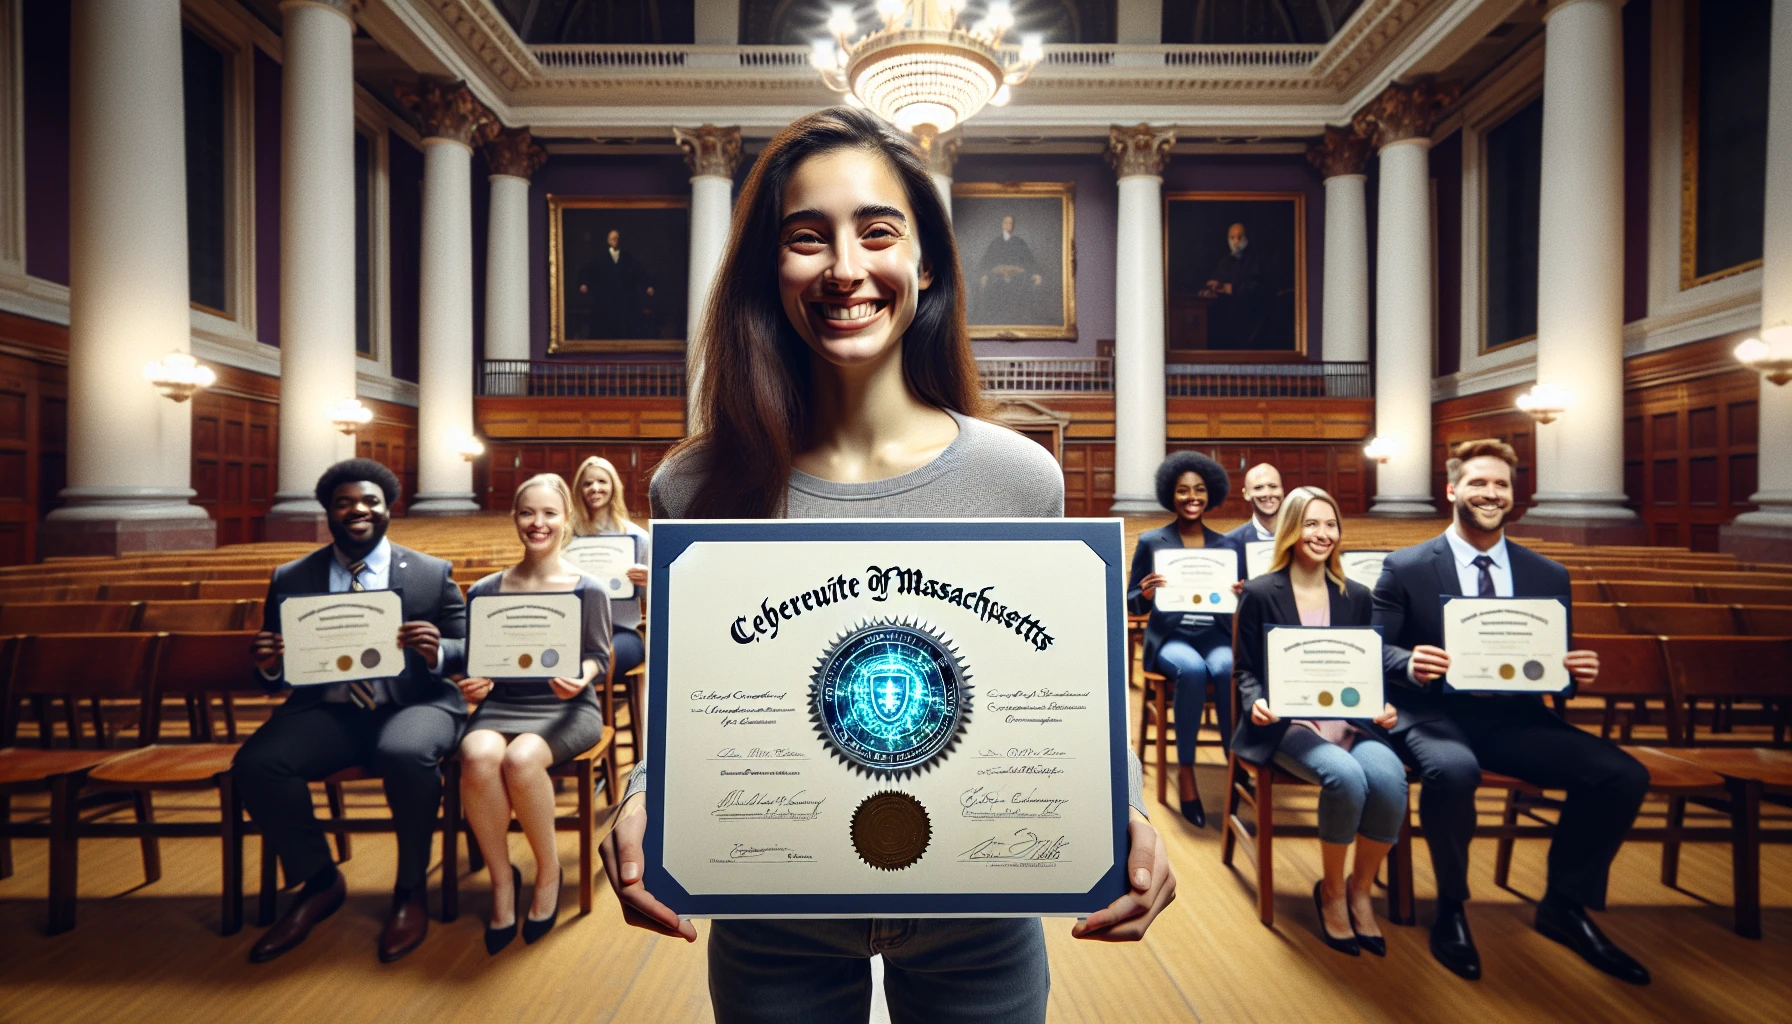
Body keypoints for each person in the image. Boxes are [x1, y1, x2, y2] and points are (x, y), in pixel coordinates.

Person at [597, 107, 1175, 1024]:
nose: (845, 269)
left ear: (929, 262)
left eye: (877, 232)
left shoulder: (1020, 476)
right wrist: (640, 795)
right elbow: (688, 697)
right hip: (773, 900)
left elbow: (1068, 691)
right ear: (767, 270)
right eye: (805, 238)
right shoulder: (694, 482)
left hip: (979, 906)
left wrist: (1129, 813)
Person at [1372, 438, 1651, 984]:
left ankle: (1564, 906)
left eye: (1501, 484)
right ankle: (1451, 906)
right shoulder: (1406, 566)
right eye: (1478, 482)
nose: (1490, 493)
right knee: (1454, 771)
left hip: (1514, 721)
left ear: (1513, 494)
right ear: (1452, 489)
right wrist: (1408, 661)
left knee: (1621, 775)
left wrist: (1573, 672)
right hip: (1433, 714)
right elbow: (1374, 646)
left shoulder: (1547, 574)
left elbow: (1553, 668)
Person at [234, 458, 467, 964]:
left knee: (404, 752)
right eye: (344, 503)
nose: (358, 510)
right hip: (331, 711)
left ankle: (409, 891)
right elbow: (274, 670)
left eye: (369, 502)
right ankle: (319, 881)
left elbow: (468, 645)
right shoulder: (294, 576)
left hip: (415, 702)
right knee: (256, 764)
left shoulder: (429, 572)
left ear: (387, 510)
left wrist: (438, 650)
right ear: (329, 512)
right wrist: (270, 664)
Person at [1232, 486, 1403, 956]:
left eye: (1330, 524)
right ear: (1291, 529)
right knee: (1346, 778)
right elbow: (1245, 669)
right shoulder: (1262, 593)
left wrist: (1381, 704)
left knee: (1388, 779)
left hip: (1349, 723)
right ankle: (1330, 890)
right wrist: (1256, 703)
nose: (1322, 534)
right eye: (1311, 523)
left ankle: (1360, 889)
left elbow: (1366, 669)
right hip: (1288, 725)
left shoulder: (1357, 596)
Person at [452, 473, 612, 954]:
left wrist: (581, 675)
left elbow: (600, 658)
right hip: (503, 704)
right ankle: (503, 878)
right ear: (514, 518)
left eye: (548, 513)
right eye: (527, 513)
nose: (537, 523)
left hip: (566, 707)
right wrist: (474, 684)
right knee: (477, 753)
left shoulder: (589, 589)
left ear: (565, 520)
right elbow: (477, 665)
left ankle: (548, 872)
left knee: (520, 759)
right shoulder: (484, 590)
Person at [1126, 450, 1244, 827]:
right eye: (1182, 491)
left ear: (1210, 495)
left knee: (1227, 668)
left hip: (1215, 633)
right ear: (1170, 496)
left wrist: (1243, 594)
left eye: (1198, 490)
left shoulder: (1227, 546)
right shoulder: (1152, 541)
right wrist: (1143, 594)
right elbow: (1130, 601)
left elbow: (1242, 606)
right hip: (1172, 637)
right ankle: (1187, 771)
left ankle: (1234, 765)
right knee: (1191, 671)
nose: (1191, 497)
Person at [570, 455, 650, 681]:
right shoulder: (566, 538)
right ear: (579, 490)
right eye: (587, 483)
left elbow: (660, 597)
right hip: (574, 632)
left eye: (602, 481)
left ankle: (578, 705)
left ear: (614, 486)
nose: (594, 488)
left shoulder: (637, 538)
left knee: (598, 661)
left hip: (622, 632)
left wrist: (649, 580)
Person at [577, 228, 656, 339]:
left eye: (617, 238)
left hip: (624, 300)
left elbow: (639, 272)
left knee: (625, 327)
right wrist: (584, 284)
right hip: (605, 300)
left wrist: (647, 286)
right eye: (613, 238)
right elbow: (588, 272)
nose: (615, 240)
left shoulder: (627, 257)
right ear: (608, 241)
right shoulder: (600, 258)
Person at [1200, 222, 1265, 349]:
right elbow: (1217, 282)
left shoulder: (1254, 260)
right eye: (1232, 237)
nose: (1236, 241)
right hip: (1224, 318)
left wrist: (1232, 289)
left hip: (1246, 317)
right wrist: (1211, 289)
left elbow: (1256, 288)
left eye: (1239, 237)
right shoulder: (1224, 261)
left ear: (1246, 239)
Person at [974, 214, 1043, 324]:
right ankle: (996, 320)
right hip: (997, 278)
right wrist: (985, 274)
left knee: (1022, 288)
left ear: (1013, 225)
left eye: (1010, 223)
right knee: (993, 289)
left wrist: (1035, 273)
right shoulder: (995, 243)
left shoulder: (1020, 242)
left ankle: (1017, 320)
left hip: (1017, 278)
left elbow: (1029, 260)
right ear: (1002, 225)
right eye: (1006, 222)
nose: (1008, 225)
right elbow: (986, 262)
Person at [1224, 462, 1285, 545]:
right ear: (1246, 494)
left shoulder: (1301, 536)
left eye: (1273, 486)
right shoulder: (1230, 543)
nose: (1268, 493)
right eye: (1258, 488)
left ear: (1282, 491)